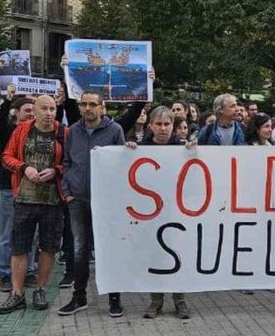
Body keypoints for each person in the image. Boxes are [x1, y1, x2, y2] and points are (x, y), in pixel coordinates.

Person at [58, 91, 128, 318]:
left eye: (92, 104)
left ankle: (114, 298)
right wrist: (67, 192)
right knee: (80, 249)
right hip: (77, 199)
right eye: (83, 104)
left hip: (106, 201)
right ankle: (79, 297)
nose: (87, 108)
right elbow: (66, 162)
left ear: (102, 107)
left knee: (108, 248)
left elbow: (122, 164)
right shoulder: (73, 132)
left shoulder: (115, 131)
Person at [0, 95, 68, 314]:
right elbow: (6, 156)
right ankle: (17, 294)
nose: (48, 113)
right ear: (34, 111)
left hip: (52, 200)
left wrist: (56, 171)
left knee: (48, 247)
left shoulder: (63, 132)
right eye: (44, 109)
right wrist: (24, 167)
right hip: (25, 198)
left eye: (52, 109)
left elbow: (71, 161)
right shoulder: (22, 130)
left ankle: (40, 288)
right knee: (19, 246)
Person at [126, 107, 197, 318]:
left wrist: (193, 151)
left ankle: (179, 300)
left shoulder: (182, 148)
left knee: (177, 256)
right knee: (154, 256)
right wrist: (128, 152)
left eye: (167, 124)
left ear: (173, 127)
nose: (163, 128)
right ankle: (155, 301)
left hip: (175, 212)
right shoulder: (141, 149)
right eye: (159, 124)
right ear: (151, 126)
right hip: (150, 214)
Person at [0, 65, 38, 292]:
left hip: (35, 189)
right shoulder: (7, 130)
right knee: (8, 232)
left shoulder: (40, 130)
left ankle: (29, 271)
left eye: (33, 110)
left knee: (32, 233)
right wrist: (7, 101)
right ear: (17, 113)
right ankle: (6, 273)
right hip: (10, 189)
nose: (31, 113)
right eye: (27, 110)